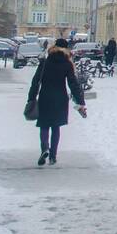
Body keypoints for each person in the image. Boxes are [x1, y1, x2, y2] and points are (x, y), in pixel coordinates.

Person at [26, 38, 86, 166]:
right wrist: (80, 101)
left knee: (44, 125)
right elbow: (73, 84)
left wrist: (31, 98)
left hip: (45, 97)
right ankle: (53, 156)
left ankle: (44, 149)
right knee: (56, 127)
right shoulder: (67, 64)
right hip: (60, 98)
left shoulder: (45, 62)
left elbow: (36, 81)